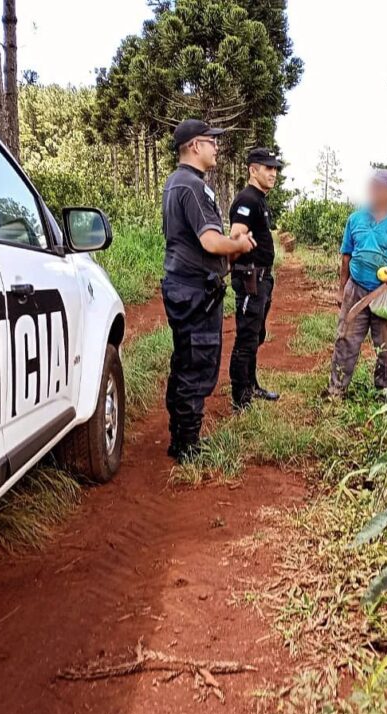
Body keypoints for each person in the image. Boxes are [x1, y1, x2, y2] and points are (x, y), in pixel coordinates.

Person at [162, 119, 257, 461]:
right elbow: (209, 241)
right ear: (193, 146)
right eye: (210, 141)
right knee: (197, 363)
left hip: (183, 286)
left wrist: (231, 242)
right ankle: (187, 445)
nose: (216, 147)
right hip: (195, 291)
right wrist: (239, 243)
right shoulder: (192, 186)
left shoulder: (177, 184)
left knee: (185, 358)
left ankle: (181, 435)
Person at [325, 168, 387, 399]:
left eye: (378, 187)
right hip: (356, 289)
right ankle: (336, 390)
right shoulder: (356, 219)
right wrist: (342, 290)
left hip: (386, 293)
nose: (373, 191)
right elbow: (346, 257)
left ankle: (385, 394)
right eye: (371, 186)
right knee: (345, 340)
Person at [228, 147, 283, 410]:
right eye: (268, 168)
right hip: (251, 279)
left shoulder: (259, 198)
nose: (273, 173)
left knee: (256, 335)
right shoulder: (247, 200)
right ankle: (241, 398)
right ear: (253, 170)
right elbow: (236, 235)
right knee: (246, 338)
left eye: (275, 169)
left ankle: (251, 385)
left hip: (262, 279)